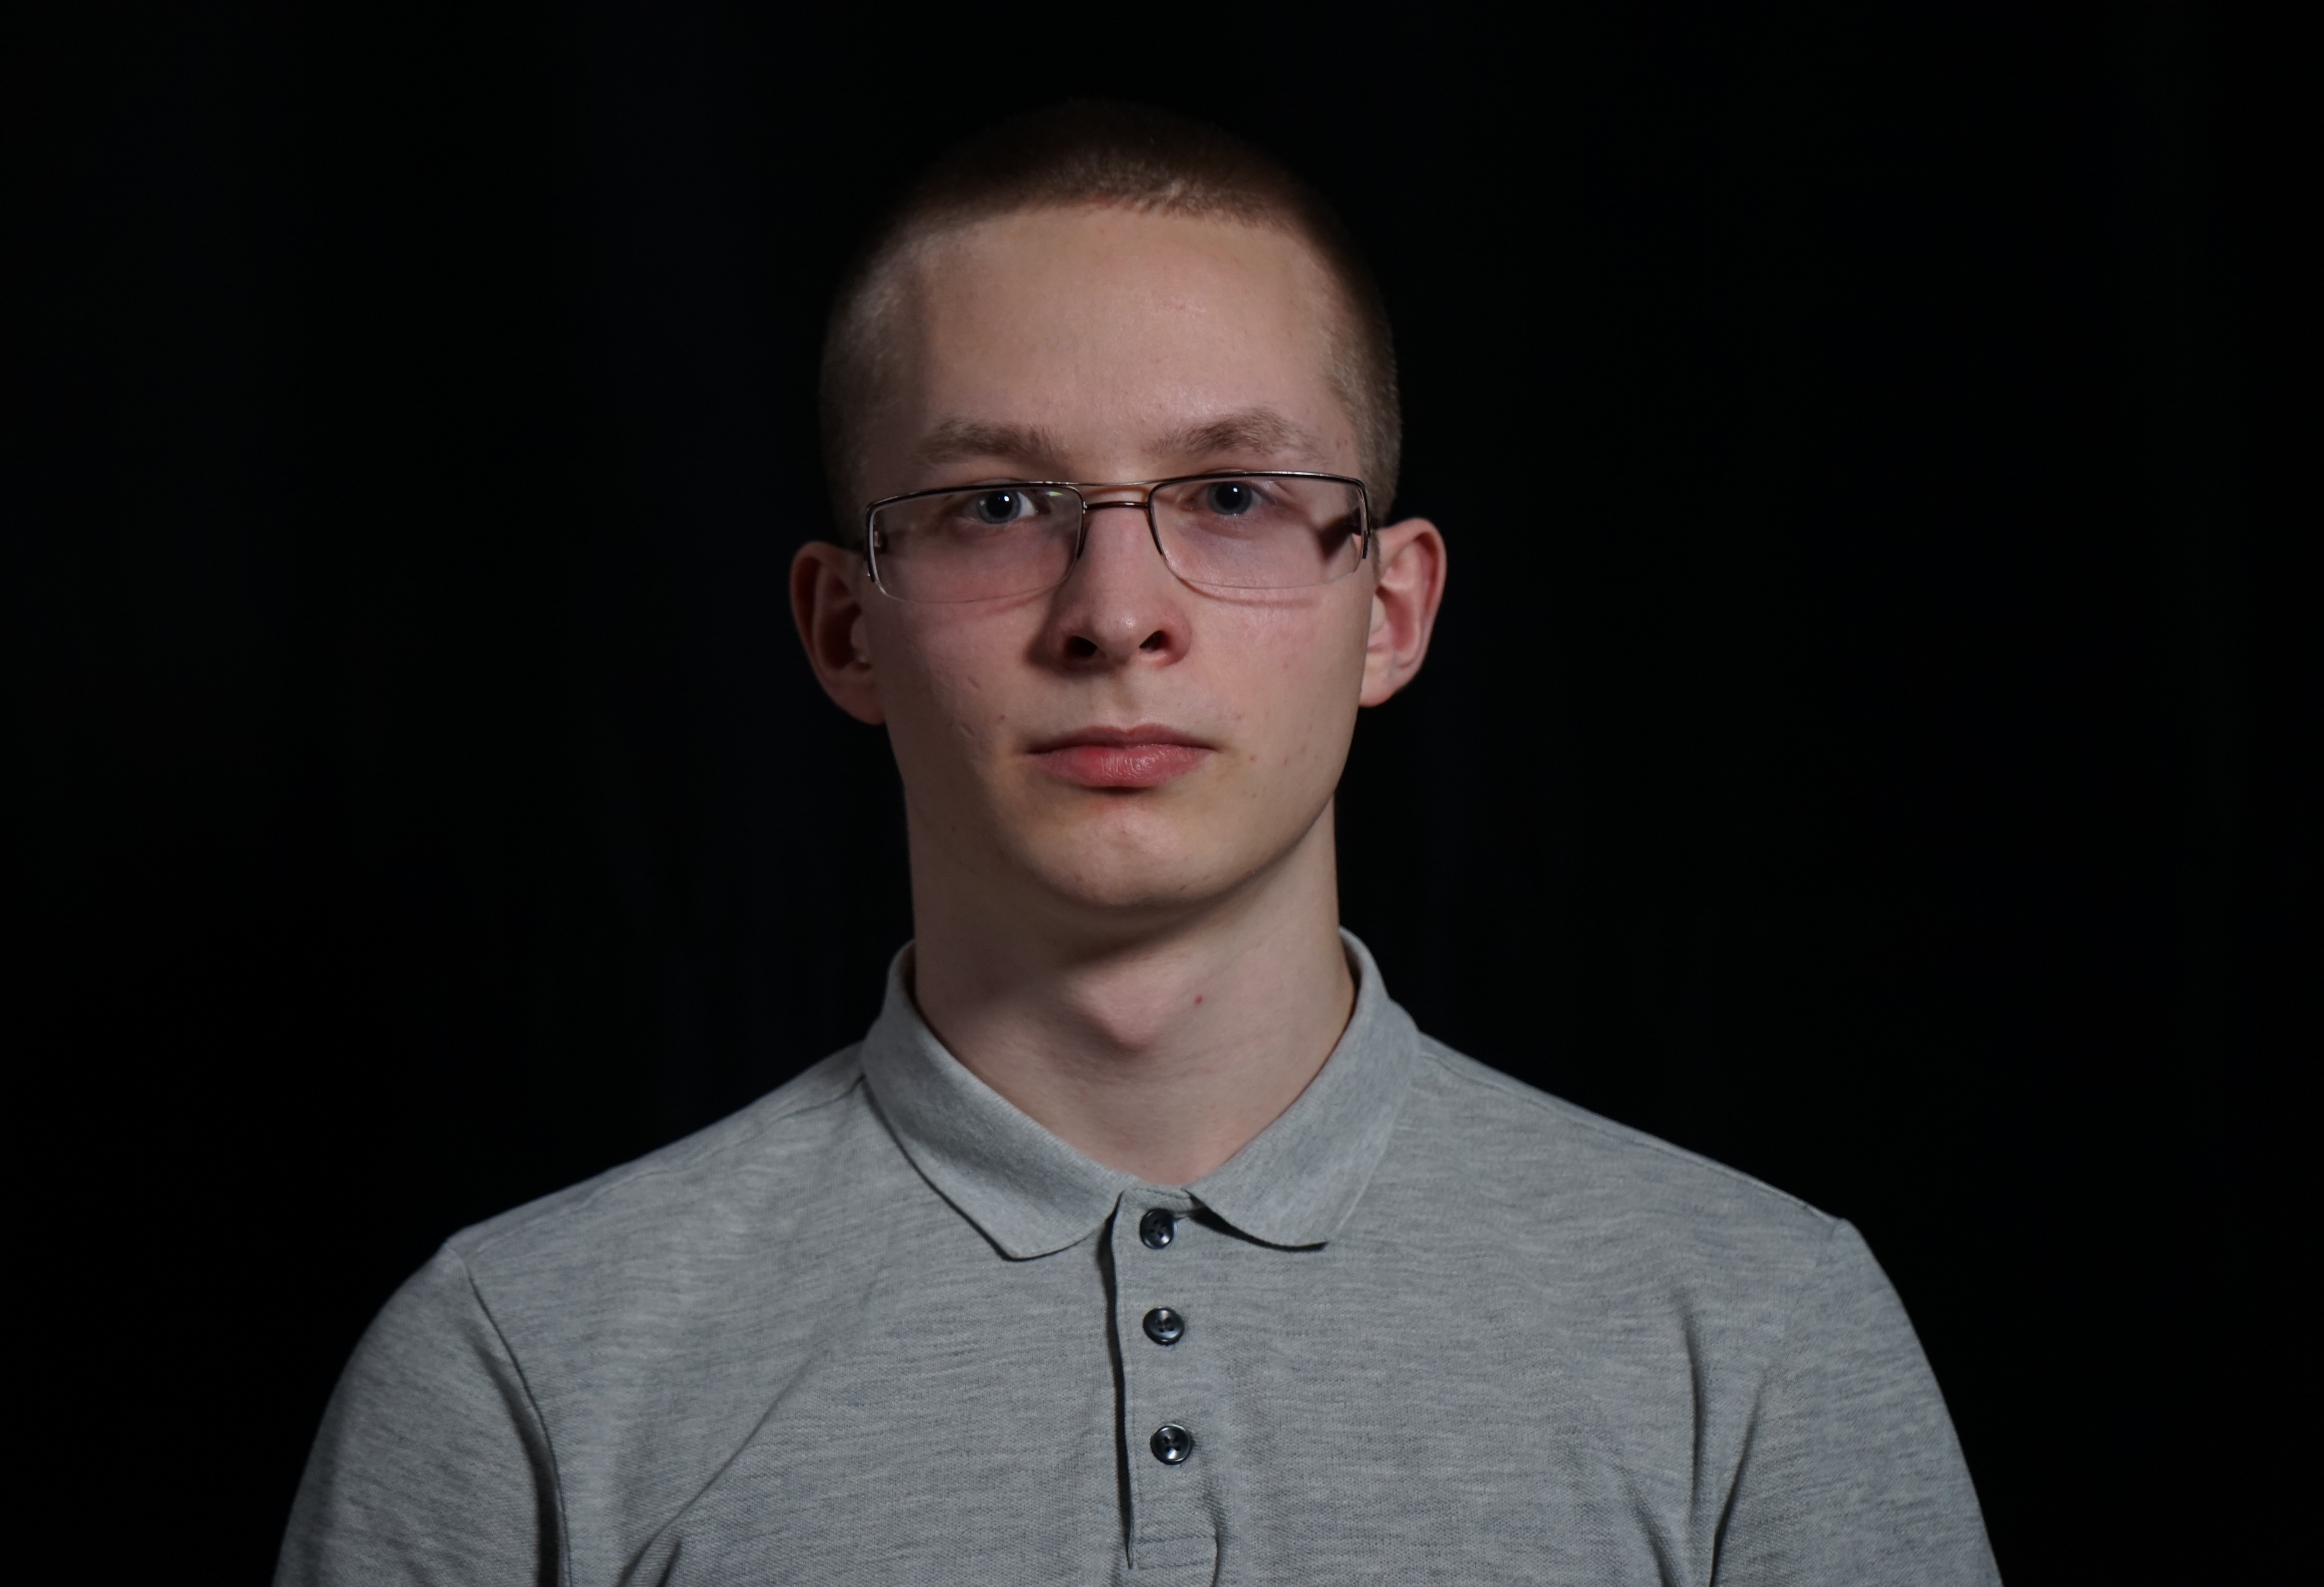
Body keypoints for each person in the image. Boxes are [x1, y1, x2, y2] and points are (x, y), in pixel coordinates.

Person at [277, 102, 1998, 1586]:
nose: (1116, 612)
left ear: (1390, 611)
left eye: (1233, 495)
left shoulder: (1758, 1333)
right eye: (995, 505)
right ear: (845, 629)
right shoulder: (520, 1368)